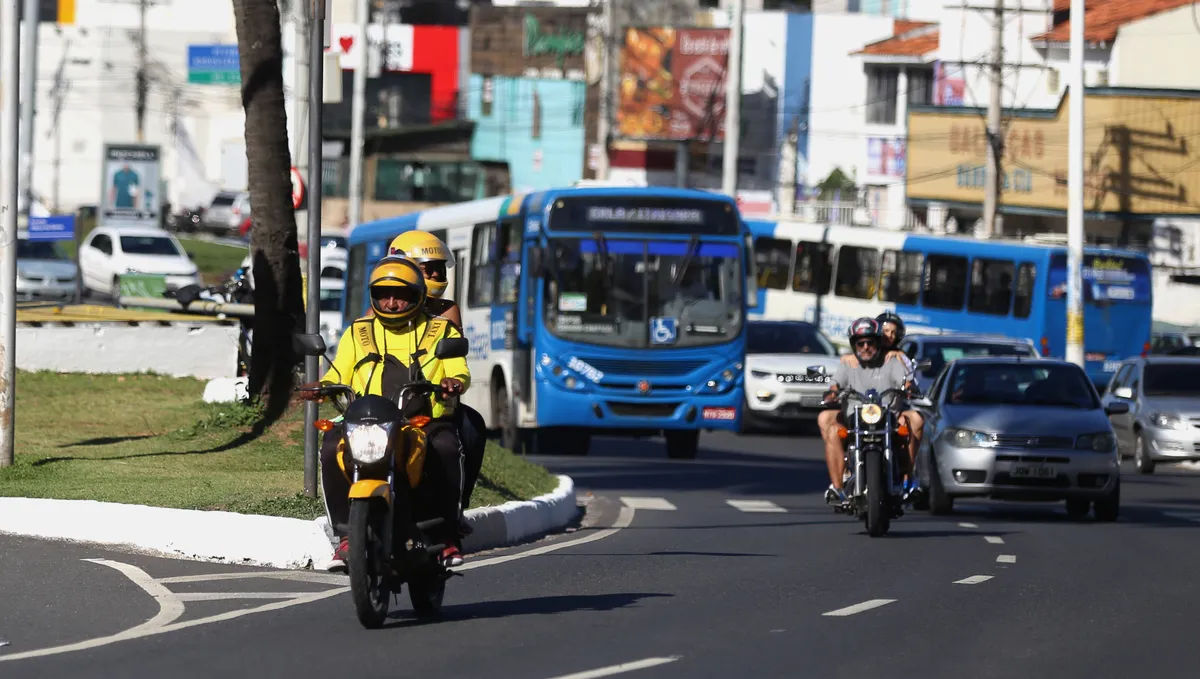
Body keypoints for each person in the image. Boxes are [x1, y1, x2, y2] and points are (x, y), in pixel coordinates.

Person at [300, 257, 470, 571]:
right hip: (369, 422)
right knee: (328, 449)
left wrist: (452, 384)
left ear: (419, 294)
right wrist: (319, 387)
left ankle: (446, 536)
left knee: (446, 448)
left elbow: (460, 372)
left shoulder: (440, 329)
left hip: (423, 421)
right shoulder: (359, 331)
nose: (391, 303)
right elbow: (338, 374)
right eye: (382, 294)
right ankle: (346, 536)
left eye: (400, 295)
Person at [387, 231, 487, 532]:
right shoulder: (382, 308)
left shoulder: (446, 311)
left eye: (438, 269)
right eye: (427, 268)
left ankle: (457, 508)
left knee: (471, 428)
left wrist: (450, 383)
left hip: (431, 405)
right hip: (387, 404)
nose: (434, 274)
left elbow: (454, 355)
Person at [817, 318, 916, 506]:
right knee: (832, 430)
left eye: (870, 343)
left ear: (878, 343)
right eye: (860, 343)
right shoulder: (848, 363)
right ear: (854, 345)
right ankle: (838, 488)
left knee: (910, 425)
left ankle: (907, 479)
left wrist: (908, 388)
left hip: (887, 417)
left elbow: (905, 382)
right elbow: (835, 385)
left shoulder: (892, 361)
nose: (865, 347)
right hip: (854, 418)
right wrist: (832, 393)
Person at [837, 311, 925, 496]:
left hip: (890, 410)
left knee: (914, 421)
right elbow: (837, 383)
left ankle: (907, 474)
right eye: (885, 331)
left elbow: (909, 382)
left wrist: (907, 388)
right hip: (860, 410)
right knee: (829, 423)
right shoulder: (852, 359)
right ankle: (842, 477)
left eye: (893, 333)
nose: (889, 337)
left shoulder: (897, 357)